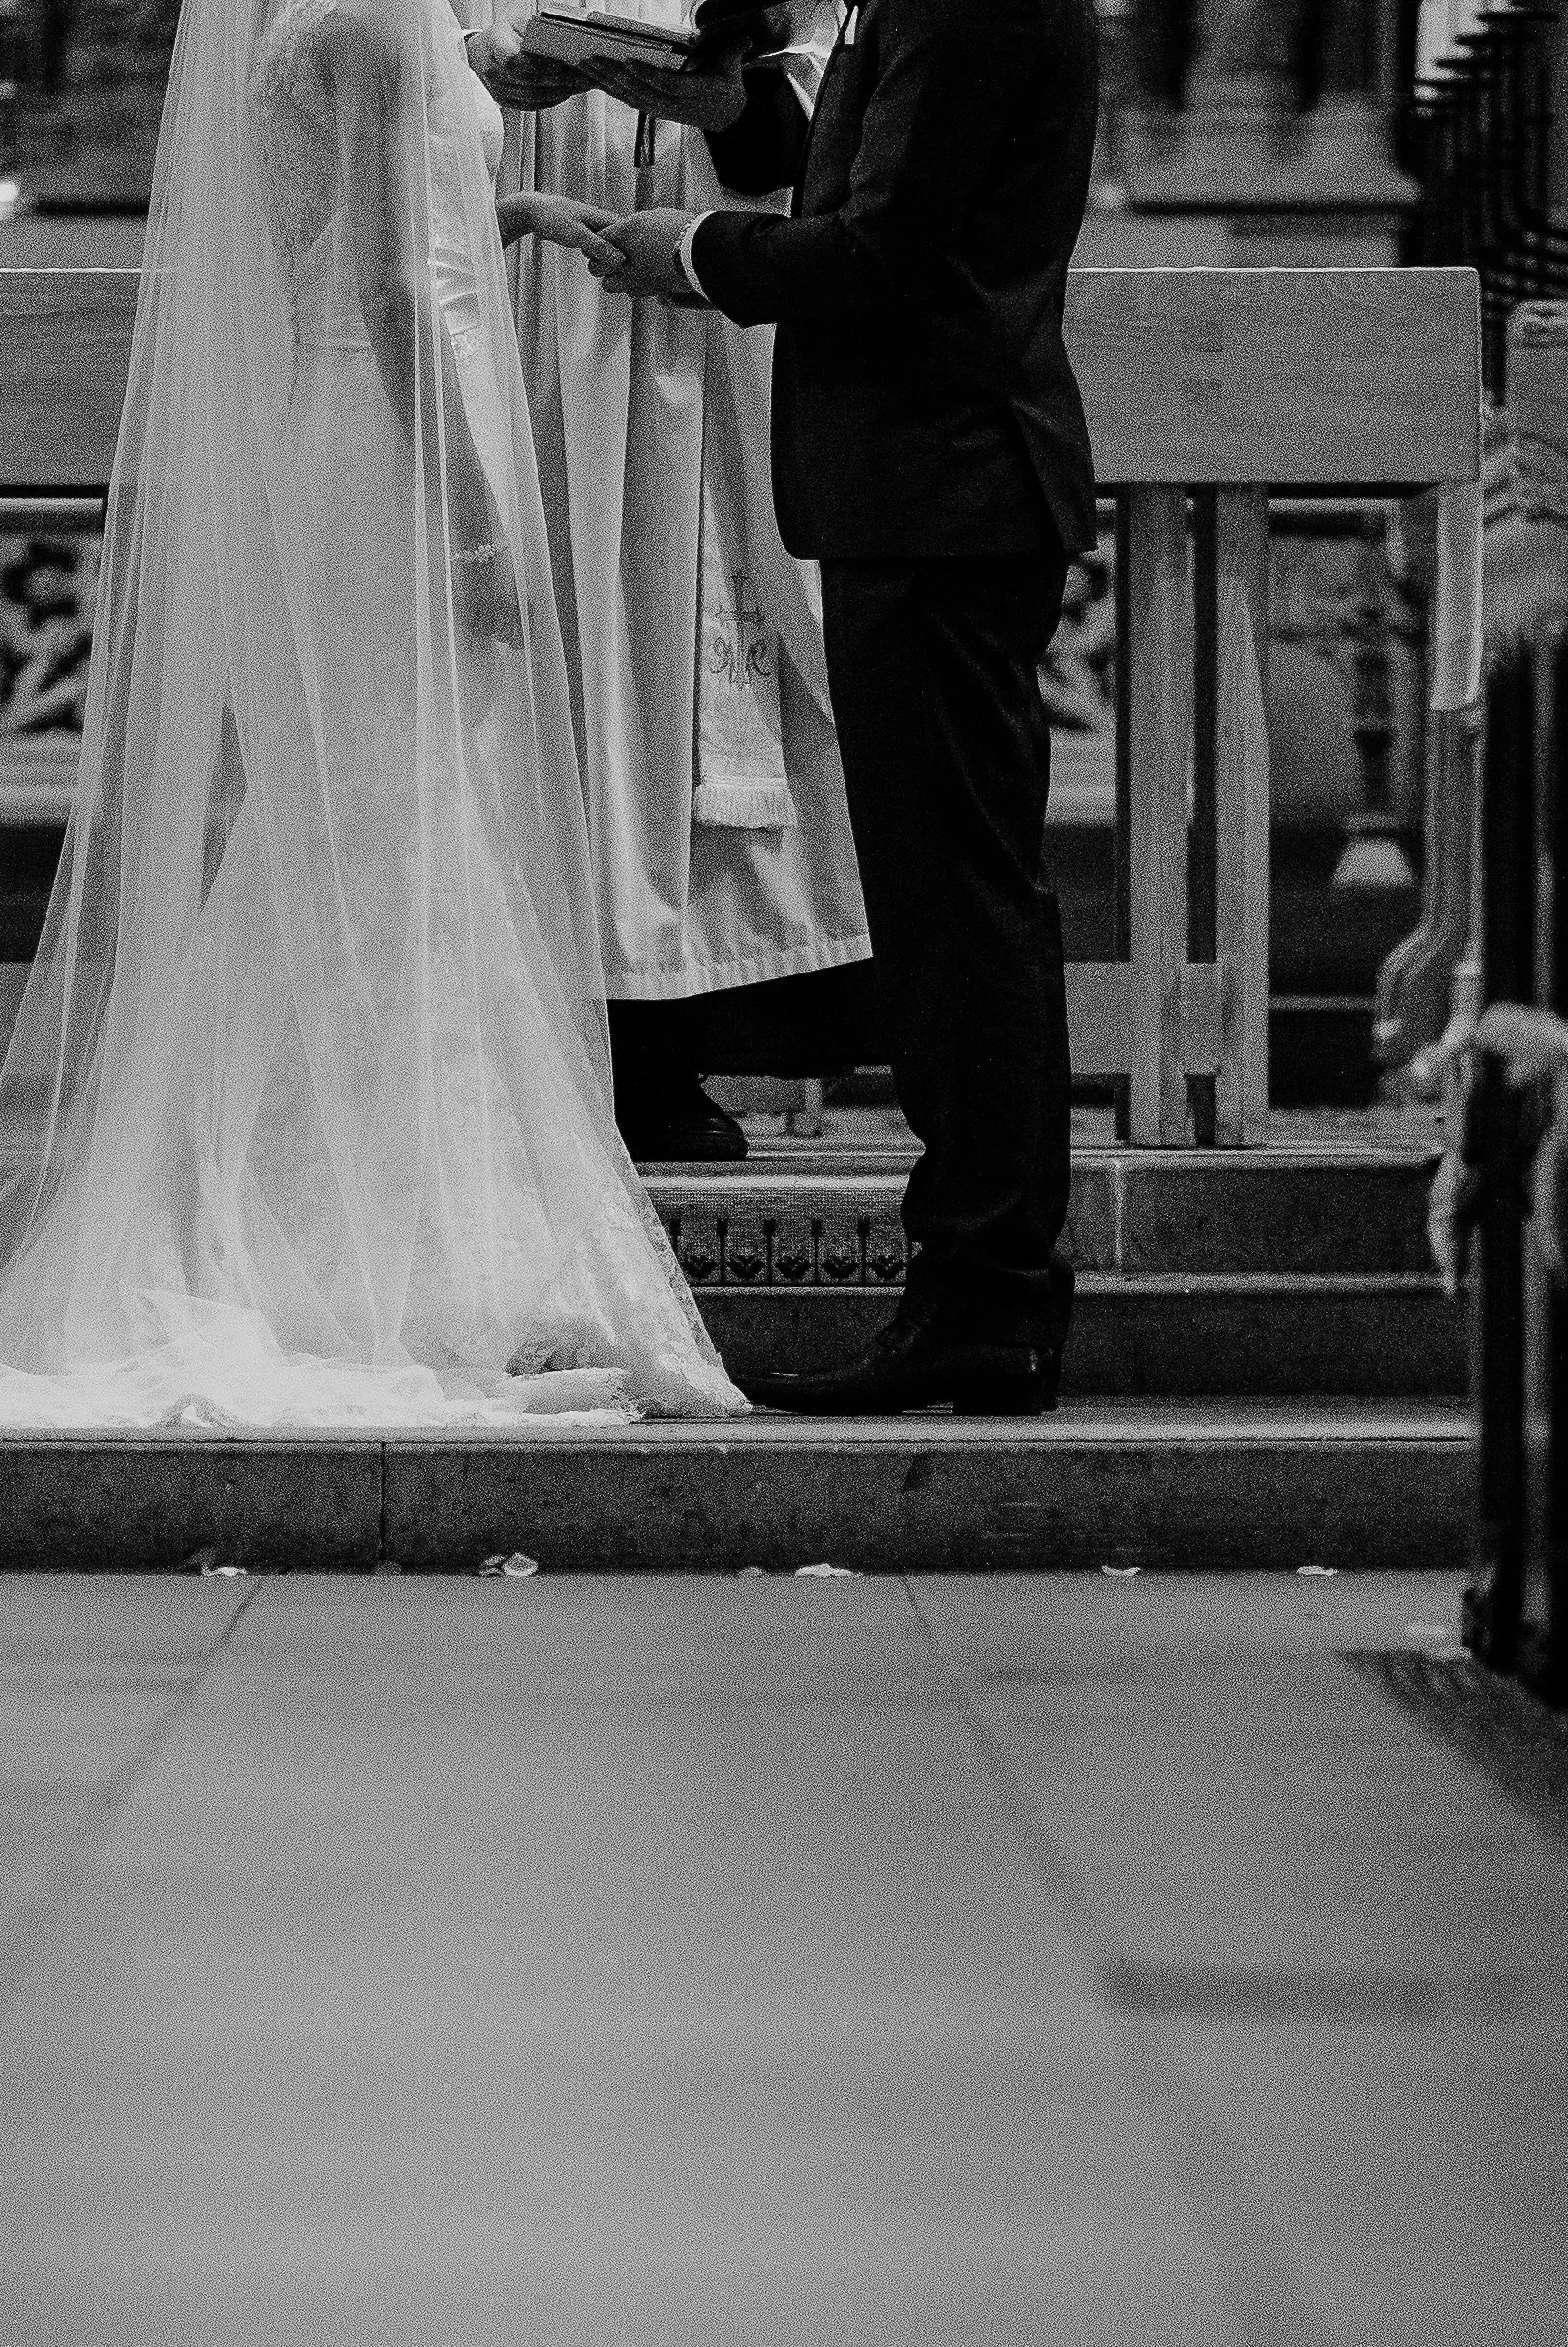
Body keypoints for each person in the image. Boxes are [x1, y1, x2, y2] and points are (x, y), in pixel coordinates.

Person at [0, 0, 736, 1430]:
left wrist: (509, 202)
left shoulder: (340, 17)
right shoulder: (376, 17)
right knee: (397, 833)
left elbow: (384, 186)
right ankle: (408, 1255)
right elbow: (397, 290)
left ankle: (412, 1224)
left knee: (376, 834)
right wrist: (474, 525)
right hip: (406, 454)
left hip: (365, 431)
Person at [547, 0, 1105, 1418]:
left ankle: (987, 1296)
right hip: (923, 496)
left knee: (961, 912)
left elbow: (885, 250)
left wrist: (687, 254)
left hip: (944, 492)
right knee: (949, 909)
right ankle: (980, 1294)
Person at [476, 0, 879, 1168]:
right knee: (536, 618)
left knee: (676, 614)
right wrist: (478, 71)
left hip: (718, 272)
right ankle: (498, 1038)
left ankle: (661, 1037)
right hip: (518, 268)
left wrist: (736, 102)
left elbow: (834, 59)